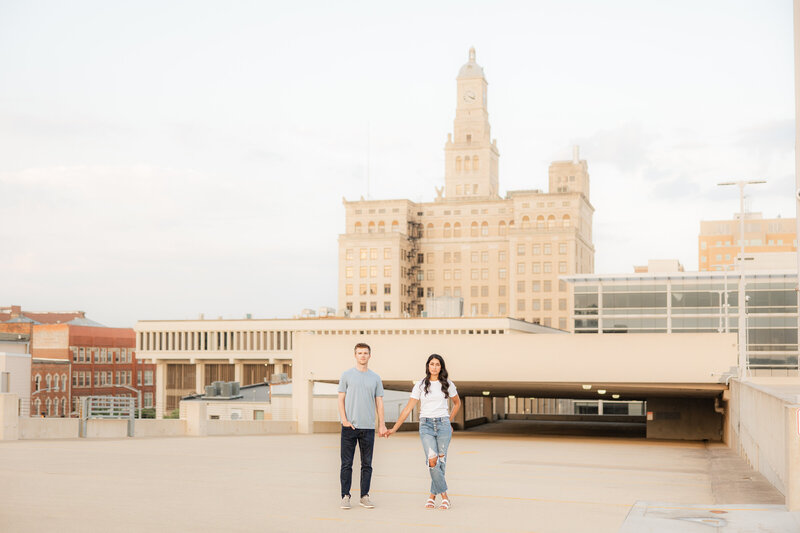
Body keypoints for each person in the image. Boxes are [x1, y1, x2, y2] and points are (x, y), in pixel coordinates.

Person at [387, 354, 461, 510]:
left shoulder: (447, 384)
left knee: (441, 463)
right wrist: (394, 428)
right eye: (432, 364)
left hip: (443, 425)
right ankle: (445, 496)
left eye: (437, 364)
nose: (434, 367)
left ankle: (432, 496)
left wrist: (449, 420)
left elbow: (457, 403)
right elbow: (408, 408)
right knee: (432, 461)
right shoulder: (420, 385)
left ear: (441, 367)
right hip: (426, 426)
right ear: (428, 366)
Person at [338, 342, 387, 510]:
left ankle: (364, 496)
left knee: (367, 464)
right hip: (349, 427)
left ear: (369, 355)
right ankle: (345, 496)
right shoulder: (346, 375)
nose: (362, 356)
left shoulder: (375, 378)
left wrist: (382, 425)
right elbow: (340, 399)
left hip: (368, 428)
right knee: (346, 464)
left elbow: (379, 402)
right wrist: (344, 419)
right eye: (359, 353)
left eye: (365, 353)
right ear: (355, 355)